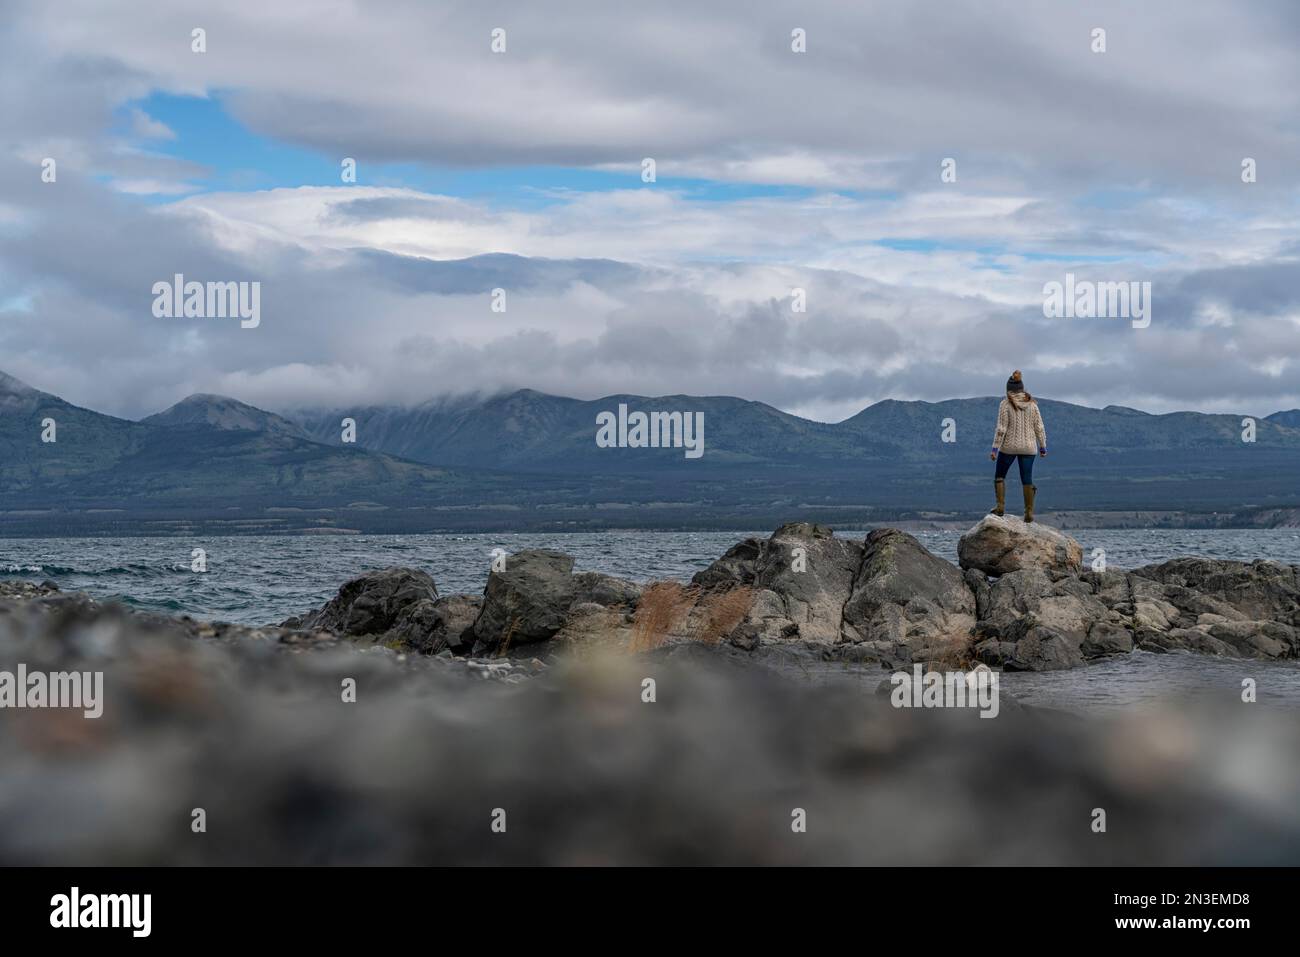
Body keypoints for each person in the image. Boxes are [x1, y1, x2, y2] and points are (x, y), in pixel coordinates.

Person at [989, 370, 1047, 522]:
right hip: (1029, 447)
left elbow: (1001, 429)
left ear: (1008, 390)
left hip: (1009, 446)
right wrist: (1042, 446)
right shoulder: (1032, 405)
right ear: (1022, 388)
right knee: (1026, 478)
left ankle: (1000, 507)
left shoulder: (1005, 404)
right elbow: (1039, 427)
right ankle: (1028, 513)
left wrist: (995, 449)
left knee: (1000, 475)